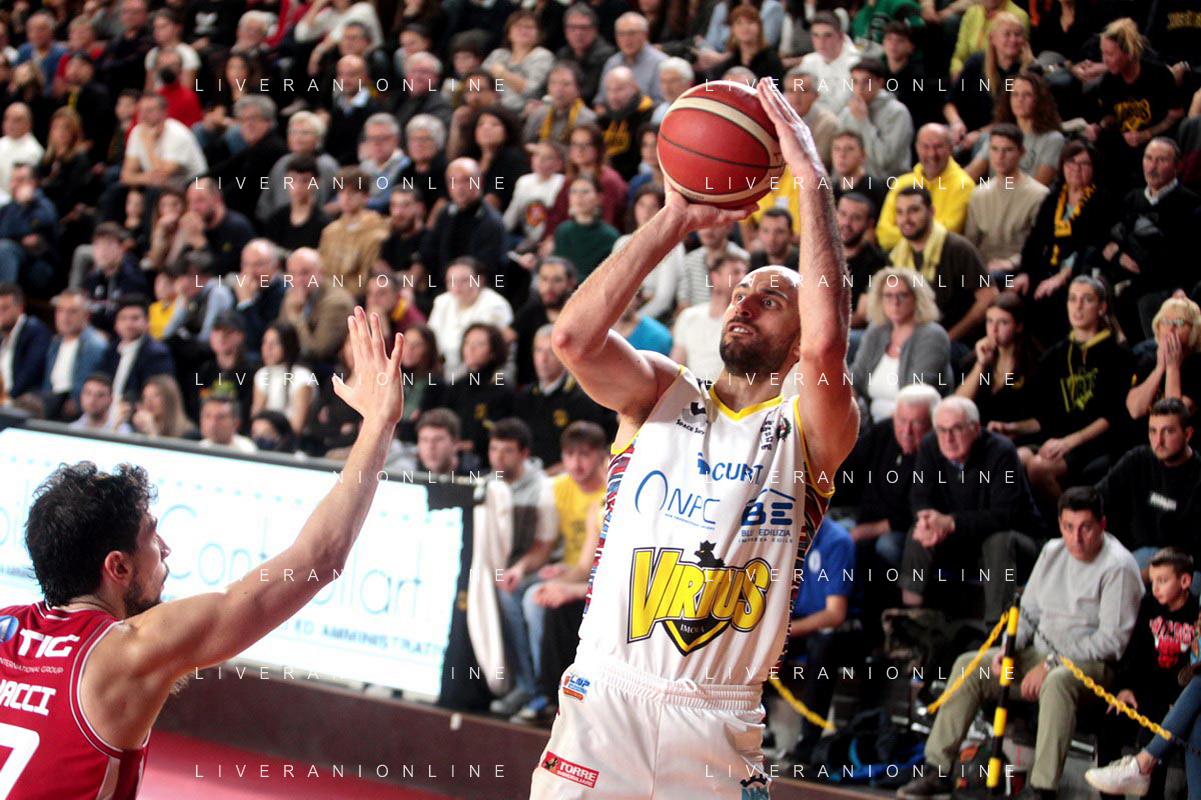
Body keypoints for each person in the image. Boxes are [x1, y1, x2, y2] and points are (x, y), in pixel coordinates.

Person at [533, 76, 858, 797]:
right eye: (739, 293)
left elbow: (827, 345)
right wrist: (675, 216)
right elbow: (574, 340)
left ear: (797, 334)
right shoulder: (659, 389)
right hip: (606, 697)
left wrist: (810, 180)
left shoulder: (809, 430)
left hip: (719, 717)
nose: (744, 304)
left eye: (771, 299)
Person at [0, 307, 404, 796]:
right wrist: (378, 423)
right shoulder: (127, 652)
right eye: (152, 536)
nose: (165, 548)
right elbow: (320, 558)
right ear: (118, 566)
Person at [895, 486, 1143, 800]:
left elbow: (1111, 642)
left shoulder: (1118, 565)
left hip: (1091, 670)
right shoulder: (1052, 551)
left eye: (1086, 528)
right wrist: (1007, 651)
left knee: (1057, 682)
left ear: (1102, 525)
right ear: (1059, 524)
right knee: (972, 666)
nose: (1076, 538)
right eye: (1068, 527)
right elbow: (1027, 613)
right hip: (1036, 658)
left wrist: (1051, 663)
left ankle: (1042, 788)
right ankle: (938, 769)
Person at [900, 395, 1044, 621]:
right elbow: (919, 498)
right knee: (919, 533)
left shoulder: (1001, 451)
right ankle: (910, 619)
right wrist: (927, 521)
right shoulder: (930, 445)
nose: (948, 438)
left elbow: (1006, 515)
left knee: (999, 540)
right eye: (941, 430)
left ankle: (996, 629)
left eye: (956, 429)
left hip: (1017, 542)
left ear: (975, 428)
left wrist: (951, 523)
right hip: (963, 540)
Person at [510, 420, 609, 724]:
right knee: (536, 596)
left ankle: (554, 693)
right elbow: (583, 565)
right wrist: (560, 582)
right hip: (586, 578)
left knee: (548, 605)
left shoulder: (618, 495)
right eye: (570, 455)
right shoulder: (592, 504)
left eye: (585, 455)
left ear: (603, 457)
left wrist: (572, 588)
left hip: (611, 590)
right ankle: (536, 689)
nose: (577, 464)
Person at [1006, 276, 1134, 508]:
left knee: (1038, 467)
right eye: (1073, 299)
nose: (1078, 306)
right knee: (1014, 458)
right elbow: (1043, 417)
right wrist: (1012, 428)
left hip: (1094, 443)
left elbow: (1112, 415)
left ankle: (1069, 523)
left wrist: (1069, 442)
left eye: (1087, 300)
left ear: (1102, 307)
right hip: (1058, 441)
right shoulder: (1054, 355)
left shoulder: (1117, 354)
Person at [1086, 548, 1198, 800]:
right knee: (1109, 723)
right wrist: (1125, 688)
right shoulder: (1148, 606)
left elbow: (1193, 669)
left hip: (1174, 701)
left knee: (1155, 734)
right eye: (1153, 581)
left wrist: (1179, 702)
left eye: (1163, 581)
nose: (1155, 588)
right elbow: (1134, 652)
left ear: (1184, 581)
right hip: (1143, 693)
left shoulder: (1196, 614)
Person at [491, 417, 561, 717]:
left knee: (512, 595)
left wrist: (517, 569)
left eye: (506, 450)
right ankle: (492, 682)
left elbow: (543, 548)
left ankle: (529, 686)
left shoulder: (543, 488)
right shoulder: (487, 484)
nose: (498, 457)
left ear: (523, 453)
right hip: (500, 568)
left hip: (538, 568)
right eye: (494, 449)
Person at [834, 383, 940, 569]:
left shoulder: (937, 452)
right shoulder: (883, 431)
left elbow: (919, 512)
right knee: (830, 533)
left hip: (905, 529)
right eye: (901, 420)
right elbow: (848, 467)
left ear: (933, 425)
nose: (906, 431)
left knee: (887, 546)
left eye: (917, 423)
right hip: (863, 516)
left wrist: (865, 531)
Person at [1097, 398, 1201, 572]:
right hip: (1139, 554)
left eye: (1168, 432)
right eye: (1153, 431)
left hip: (1184, 565)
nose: (1158, 441)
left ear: (1188, 434)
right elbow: (1097, 497)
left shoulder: (1198, 476)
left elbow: (1192, 552)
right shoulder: (1138, 459)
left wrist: (1144, 575)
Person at [888, 186, 996, 346]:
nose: (906, 219)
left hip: (956, 342)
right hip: (912, 339)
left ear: (931, 212)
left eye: (914, 210)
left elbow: (989, 296)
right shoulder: (897, 255)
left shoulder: (957, 248)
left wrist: (948, 337)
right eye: (900, 212)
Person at [849, 266, 951, 422]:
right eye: (888, 296)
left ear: (917, 298)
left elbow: (916, 396)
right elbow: (855, 379)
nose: (895, 302)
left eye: (902, 295)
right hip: (869, 422)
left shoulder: (932, 335)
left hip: (911, 425)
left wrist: (877, 432)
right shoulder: (877, 330)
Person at [518, 324, 615, 471]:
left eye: (550, 352)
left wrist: (549, 474)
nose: (543, 359)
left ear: (563, 355)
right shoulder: (525, 395)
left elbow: (591, 451)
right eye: (538, 351)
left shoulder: (582, 398)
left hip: (570, 474)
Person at [962, 123, 1049, 277]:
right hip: (982, 269)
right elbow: (970, 242)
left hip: (1019, 270)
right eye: (994, 149)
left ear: (1021, 152)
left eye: (1008, 150)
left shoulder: (1039, 195)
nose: (1000, 157)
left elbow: (1041, 245)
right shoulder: (978, 194)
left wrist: (1012, 263)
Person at [875, 123, 975, 252]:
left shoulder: (963, 184)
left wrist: (907, 233)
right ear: (917, 148)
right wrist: (921, 235)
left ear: (950, 148)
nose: (932, 154)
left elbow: (948, 233)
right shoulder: (901, 183)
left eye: (938, 146)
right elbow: (884, 235)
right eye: (925, 147)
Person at [956, 291, 1041, 428]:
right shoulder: (973, 360)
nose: (993, 330)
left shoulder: (1035, 364)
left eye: (1003, 323)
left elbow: (1042, 418)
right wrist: (981, 364)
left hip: (1016, 436)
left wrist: (1010, 429)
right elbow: (958, 406)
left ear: (1018, 326)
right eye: (989, 321)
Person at [1127, 295, 1201, 430]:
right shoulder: (1148, 359)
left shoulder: (1197, 365)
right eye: (1165, 321)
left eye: (1179, 322)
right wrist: (1160, 368)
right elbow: (1135, 410)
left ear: (1194, 330)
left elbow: (1173, 417)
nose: (1170, 329)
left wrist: (1172, 368)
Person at [671, 254, 748, 384]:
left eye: (744, 273)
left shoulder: (746, 321)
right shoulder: (688, 316)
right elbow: (677, 364)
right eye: (735, 272)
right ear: (715, 277)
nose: (742, 278)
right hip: (693, 390)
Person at [836, 58, 914, 179]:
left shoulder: (898, 113)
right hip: (855, 183)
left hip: (889, 182)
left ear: (880, 83)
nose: (860, 88)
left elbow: (885, 161)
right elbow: (839, 159)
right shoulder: (847, 114)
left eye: (866, 82)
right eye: (855, 82)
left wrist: (863, 122)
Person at [41, 289, 111, 420]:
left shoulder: (94, 344)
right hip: (51, 402)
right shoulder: (56, 342)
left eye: (72, 311)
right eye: (60, 310)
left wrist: (76, 401)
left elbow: (87, 386)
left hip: (74, 411)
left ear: (86, 315)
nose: (65, 317)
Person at [99, 295, 175, 403]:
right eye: (123, 318)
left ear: (147, 322)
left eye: (135, 318)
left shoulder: (157, 354)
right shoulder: (111, 351)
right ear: (116, 324)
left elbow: (157, 395)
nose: (129, 324)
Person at [0, 282, 51, 401]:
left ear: (20, 308)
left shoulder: (35, 331)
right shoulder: (2, 334)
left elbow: (29, 373)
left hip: (21, 399)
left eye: (4, 308)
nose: (0, 314)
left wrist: (7, 398)